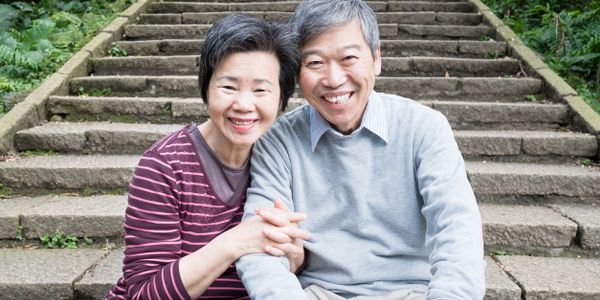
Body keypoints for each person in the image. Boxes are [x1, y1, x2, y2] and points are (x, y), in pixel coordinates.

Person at [235, 0, 486, 299]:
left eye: (349, 58)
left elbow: (457, 230)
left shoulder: (424, 128)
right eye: (315, 62)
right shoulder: (278, 141)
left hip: (412, 291)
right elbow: (261, 246)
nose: (334, 79)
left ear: (376, 58)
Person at [106, 14, 309, 300]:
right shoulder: (164, 166)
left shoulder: (282, 161)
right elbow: (144, 293)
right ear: (206, 88)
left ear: (280, 98)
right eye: (228, 87)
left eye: (261, 90)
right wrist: (233, 243)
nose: (243, 104)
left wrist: (294, 259)